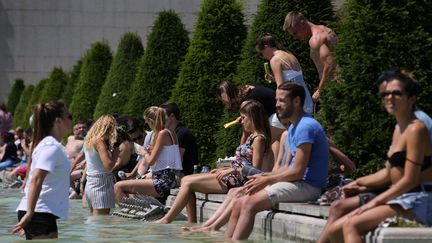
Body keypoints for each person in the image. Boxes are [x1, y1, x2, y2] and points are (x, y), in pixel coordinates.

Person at [316, 69, 432, 243]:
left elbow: (410, 180)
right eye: (386, 94)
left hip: (417, 200)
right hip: (402, 197)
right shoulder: (399, 128)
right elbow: (388, 172)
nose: (389, 97)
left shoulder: (417, 128)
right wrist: (359, 182)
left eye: (396, 93)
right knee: (335, 230)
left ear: (411, 98)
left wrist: (373, 203)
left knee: (350, 225)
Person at [224, 82, 329, 240]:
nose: (277, 105)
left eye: (282, 100)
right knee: (239, 201)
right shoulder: (294, 127)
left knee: (248, 204)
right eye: (276, 100)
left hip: (307, 185)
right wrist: (264, 178)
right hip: (295, 182)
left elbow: (298, 171)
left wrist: (267, 179)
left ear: (296, 101)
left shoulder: (305, 127)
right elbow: (286, 167)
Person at [156, 100, 273, 224]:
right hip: (233, 175)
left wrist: (231, 170)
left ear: (253, 118)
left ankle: (167, 219)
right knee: (186, 180)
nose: (241, 121)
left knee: (188, 183)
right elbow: (241, 158)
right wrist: (225, 169)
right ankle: (191, 222)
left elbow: (255, 170)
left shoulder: (259, 139)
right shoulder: (251, 136)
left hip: (239, 180)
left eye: (244, 118)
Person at [12, 101, 73, 240]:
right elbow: (37, 179)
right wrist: (29, 214)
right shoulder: (51, 146)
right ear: (58, 121)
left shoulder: (50, 144)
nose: (71, 119)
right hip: (38, 212)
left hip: (41, 212)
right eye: (69, 115)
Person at [114, 106, 182, 203]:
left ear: (151, 121)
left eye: (147, 122)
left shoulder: (162, 133)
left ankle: (129, 216)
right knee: (130, 188)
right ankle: (137, 212)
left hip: (164, 180)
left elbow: (150, 161)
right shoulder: (171, 132)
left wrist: (144, 152)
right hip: (170, 177)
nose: (147, 125)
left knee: (118, 186)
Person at [217, 80, 283, 162]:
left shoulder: (245, 103)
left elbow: (246, 132)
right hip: (282, 113)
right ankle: (273, 170)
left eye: (225, 102)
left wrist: (239, 155)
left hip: (277, 116)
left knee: (263, 146)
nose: (226, 105)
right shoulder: (249, 88)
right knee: (272, 143)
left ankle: (263, 172)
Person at [283, 11, 338, 103]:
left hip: (334, 87)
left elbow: (329, 64)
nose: (295, 37)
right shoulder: (326, 29)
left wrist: (320, 90)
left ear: (302, 23)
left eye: (295, 33)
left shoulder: (315, 40)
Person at [256, 33, 314, 114]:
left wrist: (278, 105)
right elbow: (292, 77)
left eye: (262, 53)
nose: (263, 57)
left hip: (294, 103)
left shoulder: (275, 60)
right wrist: (273, 79)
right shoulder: (289, 54)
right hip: (306, 99)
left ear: (266, 47)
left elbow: (281, 87)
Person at [83, 115, 119, 215]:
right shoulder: (100, 141)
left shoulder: (89, 141)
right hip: (102, 183)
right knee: (102, 223)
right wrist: (115, 154)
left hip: (91, 183)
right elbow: (108, 166)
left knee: (94, 222)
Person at [160, 102, 198, 176]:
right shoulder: (172, 133)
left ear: (172, 116)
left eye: (162, 116)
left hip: (182, 175)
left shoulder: (182, 133)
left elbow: (177, 160)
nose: (159, 119)